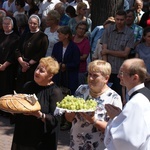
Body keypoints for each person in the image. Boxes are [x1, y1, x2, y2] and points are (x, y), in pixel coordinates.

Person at [65, 60, 122, 150]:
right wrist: (69, 112)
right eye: (89, 74)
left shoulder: (114, 98)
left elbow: (115, 129)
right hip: (76, 144)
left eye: (95, 75)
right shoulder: (81, 89)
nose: (90, 78)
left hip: (98, 146)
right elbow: (69, 119)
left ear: (106, 79)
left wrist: (93, 121)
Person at [11, 56, 64, 150]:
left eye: (41, 71)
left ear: (50, 75)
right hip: (22, 135)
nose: (37, 72)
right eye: (37, 68)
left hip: (40, 141)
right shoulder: (28, 86)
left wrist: (40, 115)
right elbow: (20, 107)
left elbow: (55, 120)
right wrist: (14, 109)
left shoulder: (55, 93)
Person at [104, 58, 150, 150]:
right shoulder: (144, 94)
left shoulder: (137, 102)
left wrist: (115, 119)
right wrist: (120, 116)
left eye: (122, 73)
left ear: (135, 78)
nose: (118, 76)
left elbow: (126, 141)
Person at [101, 10, 134, 97]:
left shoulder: (130, 33)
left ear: (125, 19)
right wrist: (106, 66)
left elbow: (125, 54)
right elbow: (103, 50)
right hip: (108, 68)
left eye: (121, 19)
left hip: (121, 69)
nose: (119, 21)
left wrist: (108, 51)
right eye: (117, 19)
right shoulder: (108, 30)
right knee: (105, 94)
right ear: (115, 19)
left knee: (119, 95)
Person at [15, 14, 49, 92]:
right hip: (22, 65)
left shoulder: (43, 37)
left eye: (34, 23)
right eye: (30, 23)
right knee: (20, 88)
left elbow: (41, 53)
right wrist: (22, 62)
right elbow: (17, 49)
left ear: (38, 24)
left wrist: (28, 64)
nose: (32, 25)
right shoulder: (25, 35)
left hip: (33, 67)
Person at [52, 26, 80, 95]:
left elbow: (76, 63)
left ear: (66, 35)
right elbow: (53, 58)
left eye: (60, 34)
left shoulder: (74, 47)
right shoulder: (56, 46)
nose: (58, 36)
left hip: (70, 76)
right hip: (58, 76)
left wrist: (65, 66)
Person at [0, 16, 20, 97]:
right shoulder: (0, 35)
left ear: (12, 25)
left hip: (9, 68)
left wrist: (4, 65)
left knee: (6, 91)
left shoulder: (16, 38)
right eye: (4, 23)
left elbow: (14, 54)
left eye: (8, 24)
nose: (6, 25)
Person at [73, 21, 90, 86]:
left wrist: (72, 58)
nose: (81, 30)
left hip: (80, 70)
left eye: (83, 29)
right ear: (76, 29)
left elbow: (84, 57)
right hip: (69, 68)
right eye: (80, 28)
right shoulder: (71, 39)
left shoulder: (86, 42)